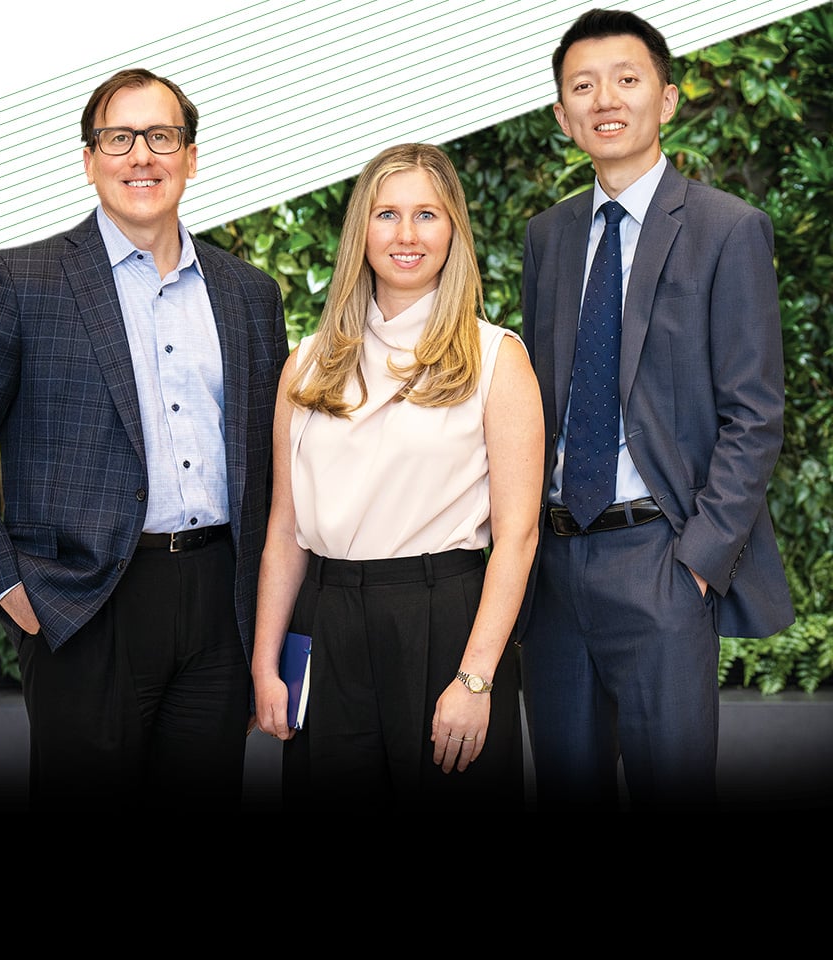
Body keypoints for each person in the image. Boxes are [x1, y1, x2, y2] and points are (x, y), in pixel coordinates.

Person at [0, 68, 289, 811]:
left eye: (162, 137)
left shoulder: (249, 293)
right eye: (119, 137)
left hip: (217, 604)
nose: (142, 155)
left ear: (192, 156)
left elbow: (273, 463)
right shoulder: (26, 281)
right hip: (83, 607)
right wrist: (9, 588)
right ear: (89, 159)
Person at [518, 8, 794, 810]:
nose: (606, 99)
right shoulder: (548, 236)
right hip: (557, 567)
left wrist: (698, 562)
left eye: (627, 80)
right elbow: (536, 400)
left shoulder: (726, 229)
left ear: (666, 99)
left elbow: (755, 415)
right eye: (583, 85)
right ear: (564, 115)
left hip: (662, 562)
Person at [250, 142, 545, 812]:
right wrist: (267, 664)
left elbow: (519, 536)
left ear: (454, 232)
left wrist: (475, 679)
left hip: (443, 619)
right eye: (387, 214)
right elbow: (285, 529)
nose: (406, 235)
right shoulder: (306, 365)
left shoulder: (497, 359)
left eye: (427, 215)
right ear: (362, 231)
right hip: (326, 622)